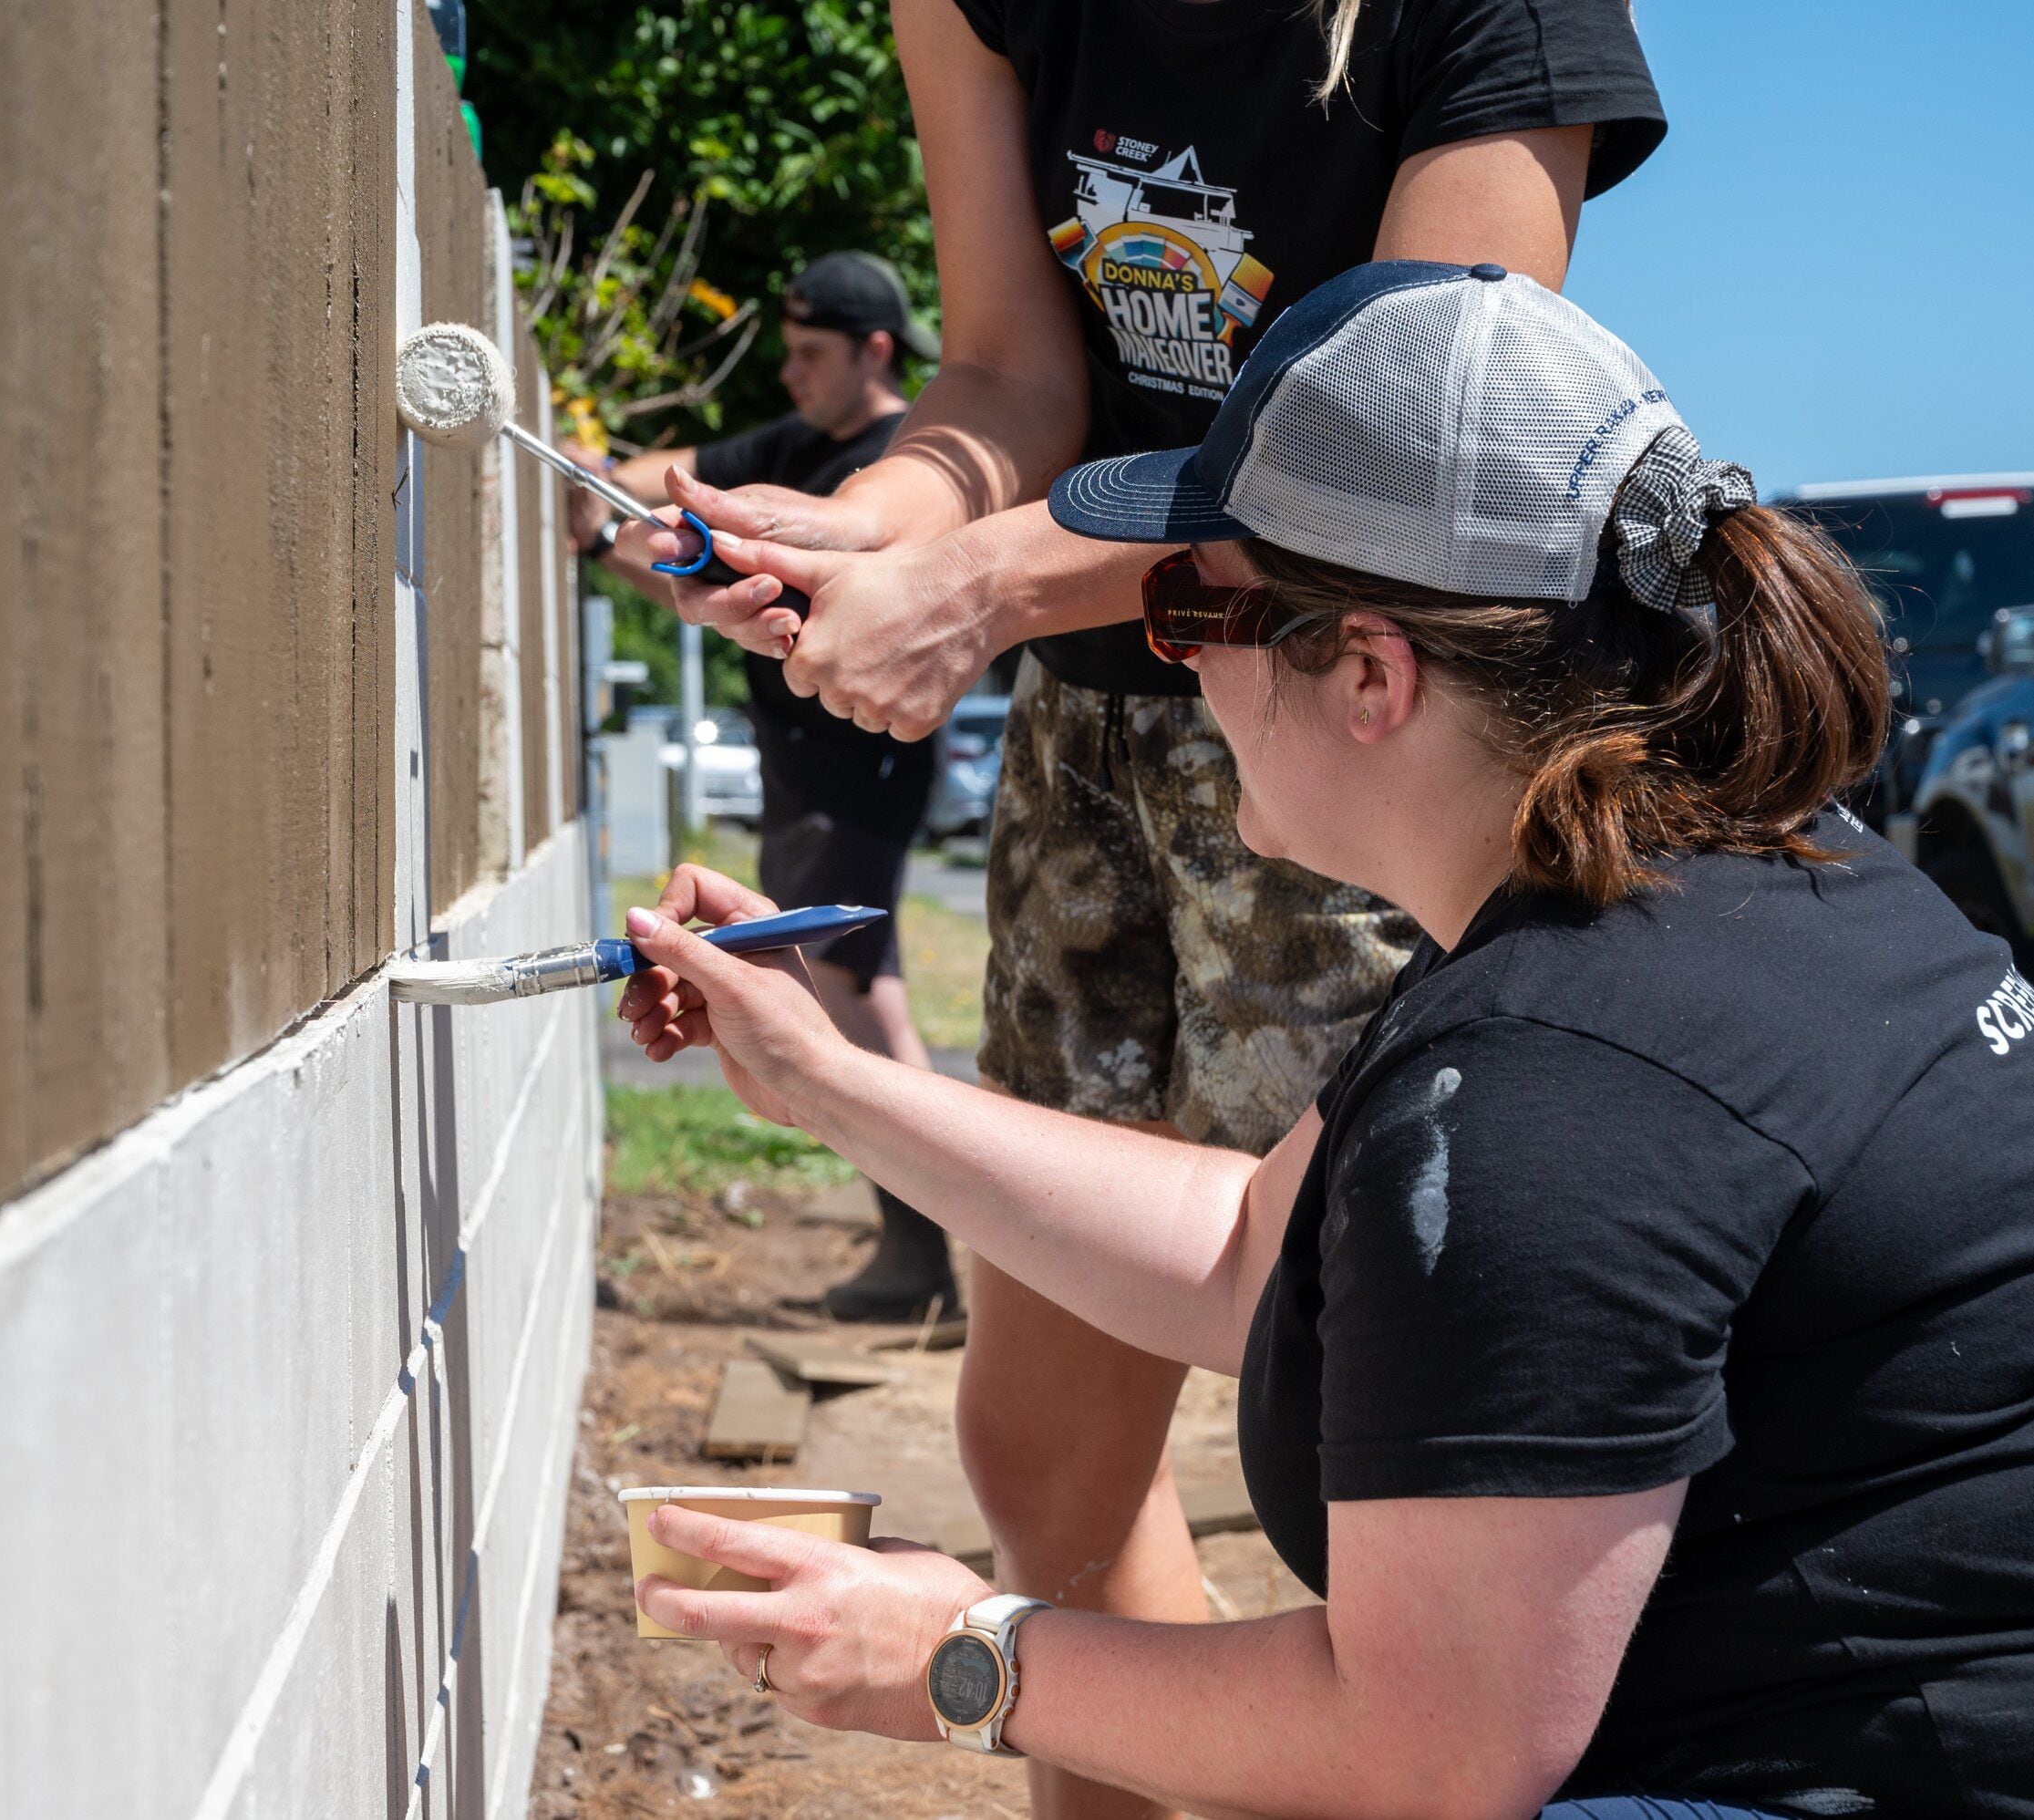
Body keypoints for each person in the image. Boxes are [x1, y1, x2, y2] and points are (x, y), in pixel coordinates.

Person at [612, 264, 2034, 1818]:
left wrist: (958, 1649)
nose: (1184, 680)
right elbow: (1244, 1251)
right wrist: (827, 1079)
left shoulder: (1563, 1076)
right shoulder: (1692, 898)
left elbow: (1422, 1754)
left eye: (1194, 616)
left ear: (1371, 671)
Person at [644, 16, 1666, 1810]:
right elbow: (1008, 387)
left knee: (1398, 1506)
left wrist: (975, 585)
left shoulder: (1489, 16)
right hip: (1094, 729)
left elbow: (1401, 445)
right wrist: (853, 532)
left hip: (1374, 730)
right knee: (1045, 1466)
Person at [575, 252, 960, 1320]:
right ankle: (920, 1247)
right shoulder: (798, 444)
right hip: (805, 777)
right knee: (847, 987)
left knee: (853, 992)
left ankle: (922, 1250)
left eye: (808, 354)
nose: (788, 374)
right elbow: (664, 477)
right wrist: (588, 473)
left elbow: (704, 568)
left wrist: (603, 535)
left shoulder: (884, 468)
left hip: (858, 774)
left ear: (874, 351)